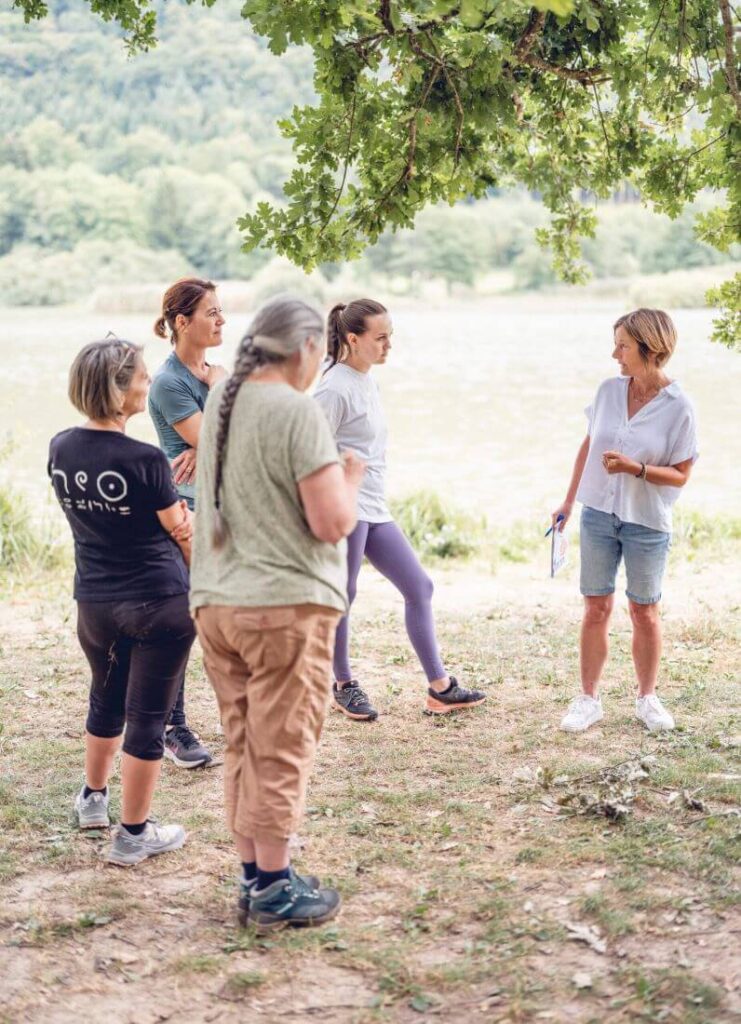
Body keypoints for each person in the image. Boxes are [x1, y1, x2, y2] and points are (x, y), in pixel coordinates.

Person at [190, 294, 365, 932]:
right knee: (283, 746)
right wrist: (350, 473)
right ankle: (272, 891)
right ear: (306, 350)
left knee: (244, 740)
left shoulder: (221, 403)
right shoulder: (296, 410)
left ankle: (257, 875)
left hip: (217, 603)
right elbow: (330, 522)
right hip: (282, 607)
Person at [48, 338, 195, 866]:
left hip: (95, 602)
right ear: (117, 388)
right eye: (140, 377)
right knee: (148, 716)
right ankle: (134, 835)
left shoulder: (61, 447)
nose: (147, 383)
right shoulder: (146, 458)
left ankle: (93, 800)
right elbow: (181, 533)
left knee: (104, 699)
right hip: (158, 603)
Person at [314, 299, 486, 721]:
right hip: (345, 507)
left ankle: (439, 688)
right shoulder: (333, 387)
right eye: (381, 337)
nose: (389, 344)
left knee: (419, 587)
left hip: (374, 506)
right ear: (353, 339)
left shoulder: (366, 380)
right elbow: (307, 453)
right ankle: (343, 684)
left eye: (391, 335)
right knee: (344, 594)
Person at [552, 308, 698, 733]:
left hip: (647, 522)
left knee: (644, 611)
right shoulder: (608, 391)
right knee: (595, 607)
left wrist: (635, 469)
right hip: (598, 513)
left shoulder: (679, 407)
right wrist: (568, 502)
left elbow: (682, 474)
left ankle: (647, 698)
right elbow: (587, 445)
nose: (615, 353)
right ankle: (588, 700)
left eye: (623, 345)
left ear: (649, 349)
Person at [148, 277, 227, 768]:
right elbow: (223, 438)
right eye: (212, 312)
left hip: (222, 507)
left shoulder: (212, 371)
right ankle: (171, 727)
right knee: (184, 623)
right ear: (182, 322)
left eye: (221, 312)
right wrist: (220, 396)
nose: (221, 320)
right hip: (185, 511)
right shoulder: (171, 381)